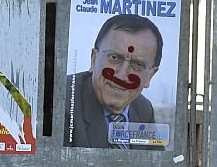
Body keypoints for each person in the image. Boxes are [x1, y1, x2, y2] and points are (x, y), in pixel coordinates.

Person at [66, 14, 164, 150]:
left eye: (137, 64)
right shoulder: (62, 99)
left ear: (150, 75)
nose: (122, 76)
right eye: (114, 57)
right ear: (94, 59)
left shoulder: (143, 109)